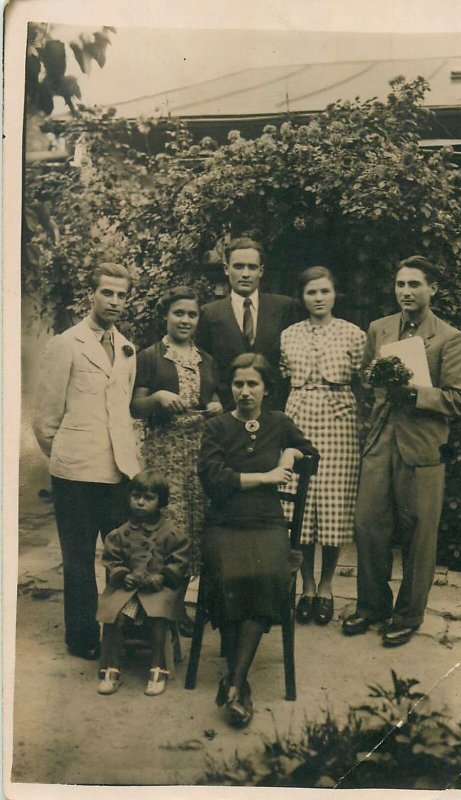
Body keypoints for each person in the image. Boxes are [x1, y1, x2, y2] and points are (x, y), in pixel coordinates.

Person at [342, 256, 461, 646]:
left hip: (422, 447)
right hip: (382, 439)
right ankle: (372, 605)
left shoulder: (448, 337)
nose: (406, 292)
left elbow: (460, 399)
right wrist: (376, 380)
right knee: (367, 524)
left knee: (419, 535)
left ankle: (408, 614)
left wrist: (413, 393)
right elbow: (366, 376)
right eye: (400, 284)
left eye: (415, 284)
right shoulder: (379, 329)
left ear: (433, 289)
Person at [198, 353, 318, 728]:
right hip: (225, 523)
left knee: (266, 576)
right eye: (238, 384)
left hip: (267, 524)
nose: (245, 392)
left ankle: (235, 682)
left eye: (253, 384)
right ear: (229, 387)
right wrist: (267, 477)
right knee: (232, 576)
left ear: (267, 389)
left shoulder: (279, 423)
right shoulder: (217, 427)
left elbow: (312, 456)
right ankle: (239, 684)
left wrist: (290, 452)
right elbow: (214, 479)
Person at [32, 263, 139, 660]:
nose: (114, 301)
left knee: (119, 557)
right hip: (75, 472)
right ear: (91, 295)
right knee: (78, 560)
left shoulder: (127, 348)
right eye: (107, 292)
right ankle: (82, 638)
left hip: (118, 471)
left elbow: (122, 409)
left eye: (121, 294)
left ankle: (116, 632)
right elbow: (45, 419)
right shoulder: (66, 344)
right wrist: (67, 456)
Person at [130, 286, 222, 636]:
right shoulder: (150, 357)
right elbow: (135, 406)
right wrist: (157, 396)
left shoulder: (207, 360)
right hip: (163, 453)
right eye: (179, 313)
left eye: (192, 314)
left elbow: (211, 399)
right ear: (165, 316)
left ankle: (179, 605)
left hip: (197, 453)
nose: (185, 320)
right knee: (164, 529)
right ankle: (155, 606)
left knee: (192, 534)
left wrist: (216, 406)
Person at [280, 267, 366, 626]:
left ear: (335, 295)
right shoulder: (288, 335)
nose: (318, 298)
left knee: (332, 506)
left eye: (324, 291)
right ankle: (307, 586)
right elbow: (285, 378)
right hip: (299, 418)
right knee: (297, 506)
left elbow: (365, 380)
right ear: (303, 297)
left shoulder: (353, 334)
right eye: (311, 292)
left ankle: (328, 586)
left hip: (339, 422)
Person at [96, 470, 189, 696]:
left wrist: (164, 576)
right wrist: (122, 573)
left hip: (157, 590)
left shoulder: (172, 533)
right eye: (136, 496)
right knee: (114, 617)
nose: (140, 502)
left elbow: (181, 559)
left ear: (161, 502)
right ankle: (112, 668)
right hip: (128, 589)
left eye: (148, 498)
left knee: (158, 618)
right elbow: (111, 558)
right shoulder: (120, 533)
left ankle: (158, 668)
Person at [195, 236, 295, 410]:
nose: (246, 274)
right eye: (238, 266)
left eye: (252, 267)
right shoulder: (210, 314)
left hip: (274, 412)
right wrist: (214, 399)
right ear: (226, 269)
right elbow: (202, 365)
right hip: (228, 412)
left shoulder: (284, 308)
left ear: (261, 271)